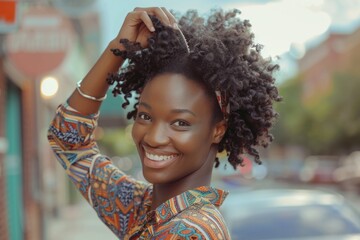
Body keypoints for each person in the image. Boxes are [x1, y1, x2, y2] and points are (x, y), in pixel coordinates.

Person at [47, 7, 280, 239]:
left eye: (180, 122)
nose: (153, 138)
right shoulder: (142, 209)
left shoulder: (189, 232)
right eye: (145, 116)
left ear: (217, 130)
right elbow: (68, 141)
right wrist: (118, 49)